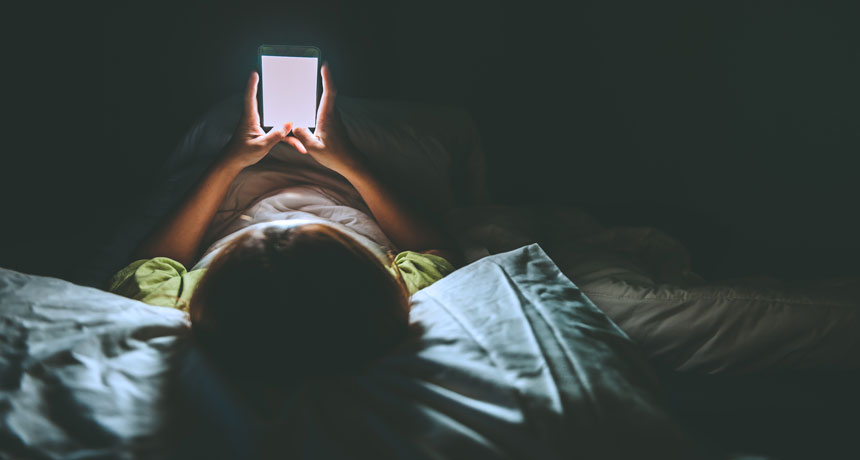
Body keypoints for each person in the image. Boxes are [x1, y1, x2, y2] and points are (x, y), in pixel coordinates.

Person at [109, 63, 461, 381]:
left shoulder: (186, 302)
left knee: (221, 118)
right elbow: (436, 249)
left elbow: (149, 263)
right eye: (316, 248)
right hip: (344, 180)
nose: (284, 234)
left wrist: (230, 160)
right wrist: (349, 160)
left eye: (257, 253)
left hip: (235, 186)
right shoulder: (383, 292)